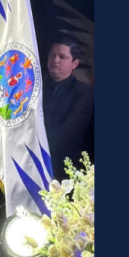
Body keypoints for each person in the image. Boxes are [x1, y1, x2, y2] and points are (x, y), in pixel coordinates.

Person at [43, 37, 95, 179]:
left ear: (75, 63)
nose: (55, 60)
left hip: (63, 166)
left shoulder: (84, 93)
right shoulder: (34, 85)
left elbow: (70, 130)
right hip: (27, 156)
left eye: (62, 57)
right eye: (52, 55)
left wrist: (36, 141)